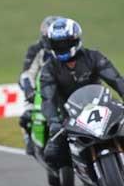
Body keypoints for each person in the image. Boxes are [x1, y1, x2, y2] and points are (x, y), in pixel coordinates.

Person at [41, 18, 124, 170]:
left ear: (76, 40)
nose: (62, 47)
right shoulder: (49, 68)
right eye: (58, 44)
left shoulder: (94, 57)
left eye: (66, 42)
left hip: (103, 106)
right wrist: (53, 121)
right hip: (70, 116)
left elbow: (116, 80)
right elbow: (48, 99)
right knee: (52, 155)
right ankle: (77, 169)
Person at [18, 17, 58, 155]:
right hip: (39, 91)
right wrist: (29, 91)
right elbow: (26, 73)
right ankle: (29, 138)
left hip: (63, 90)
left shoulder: (68, 49)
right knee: (26, 117)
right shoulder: (36, 49)